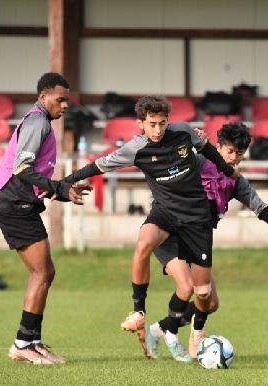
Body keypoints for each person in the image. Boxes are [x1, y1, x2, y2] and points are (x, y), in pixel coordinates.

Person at [62, 95, 239, 359]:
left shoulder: (184, 132)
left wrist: (229, 171)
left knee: (204, 294)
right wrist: (64, 183)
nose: (158, 130)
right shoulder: (135, 148)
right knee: (144, 241)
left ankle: (196, 330)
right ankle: (138, 311)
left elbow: (209, 151)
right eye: (152, 124)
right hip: (165, 212)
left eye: (162, 123)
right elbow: (98, 165)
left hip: (195, 217)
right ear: (140, 123)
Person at [138, 121, 268, 361]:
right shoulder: (198, 163)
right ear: (217, 147)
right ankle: (184, 335)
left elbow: (257, 205)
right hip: (172, 234)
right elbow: (174, 154)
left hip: (196, 240)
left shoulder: (236, 181)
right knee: (188, 288)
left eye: (239, 154)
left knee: (210, 303)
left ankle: (156, 331)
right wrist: (192, 140)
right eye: (229, 152)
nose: (234, 159)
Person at [0, 72, 92, 365]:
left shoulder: (40, 122)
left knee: (45, 272)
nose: (65, 105)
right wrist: (60, 187)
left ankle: (31, 340)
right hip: (12, 201)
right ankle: (23, 343)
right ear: (43, 96)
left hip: (17, 201)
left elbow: (33, 176)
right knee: (42, 272)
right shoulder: (37, 122)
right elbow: (22, 169)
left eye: (67, 100)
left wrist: (59, 190)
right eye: (60, 100)